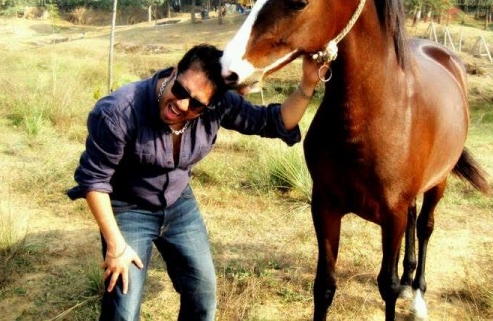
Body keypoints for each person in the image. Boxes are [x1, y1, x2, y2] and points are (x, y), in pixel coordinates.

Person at [67, 44, 323, 321]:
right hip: (128, 208)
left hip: (179, 206)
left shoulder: (218, 105)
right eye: (180, 90)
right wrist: (116, 246)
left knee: (203, 297)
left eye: (197, 104)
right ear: (174, 71)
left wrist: (308, 83)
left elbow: (274, 122)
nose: (182, 105)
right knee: (123, 311)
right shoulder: (119, 111)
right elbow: (94, 180)